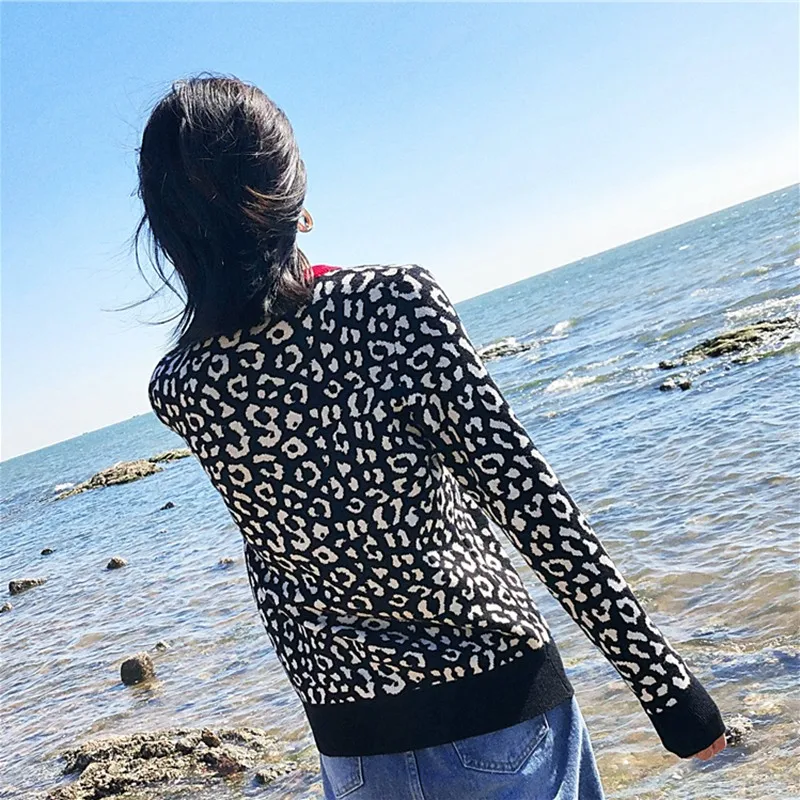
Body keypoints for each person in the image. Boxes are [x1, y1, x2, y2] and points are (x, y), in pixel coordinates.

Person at [137, 74, 727, 800]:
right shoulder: (392, 305)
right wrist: (670, 693)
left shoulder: (182, 386)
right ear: (289, 192)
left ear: (169, 227)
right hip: (500, 717)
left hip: (353, 752)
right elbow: (531, 504)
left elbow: (282, 566)